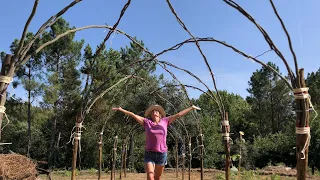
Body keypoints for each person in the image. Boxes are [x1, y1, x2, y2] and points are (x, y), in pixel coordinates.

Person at [112, 104, 201, 180]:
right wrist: (121, 109)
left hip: (161, 154)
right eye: (153, 111)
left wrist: (191, 108)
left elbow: (178, 115)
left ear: (160, 115)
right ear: (151, 114)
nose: (155, 112)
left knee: (157, 177)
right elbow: (133, 115)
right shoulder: (146, 122)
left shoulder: (165, 121)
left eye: (157, 111)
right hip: (149, 153)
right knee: (150, 176)